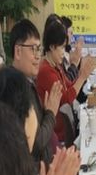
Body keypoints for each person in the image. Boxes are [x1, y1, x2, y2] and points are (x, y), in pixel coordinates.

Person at [10, 19, 62, 165]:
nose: (38, 56)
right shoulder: (13, 89)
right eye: (33, 49)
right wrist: (50, 114)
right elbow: (35, 144)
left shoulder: (26, 82)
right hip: (35, 173)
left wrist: (45, 112)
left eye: (39, 49)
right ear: (18, 51)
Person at [36, 21, 94, 143]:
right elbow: (66, 99)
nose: (64, 52)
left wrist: (81, 73)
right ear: (52, 47)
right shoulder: (46, 71)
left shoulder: (55, 66)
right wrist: (82, 77)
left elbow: (69, 86)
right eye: (62, 47)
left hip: (64, 130)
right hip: (57, 137)